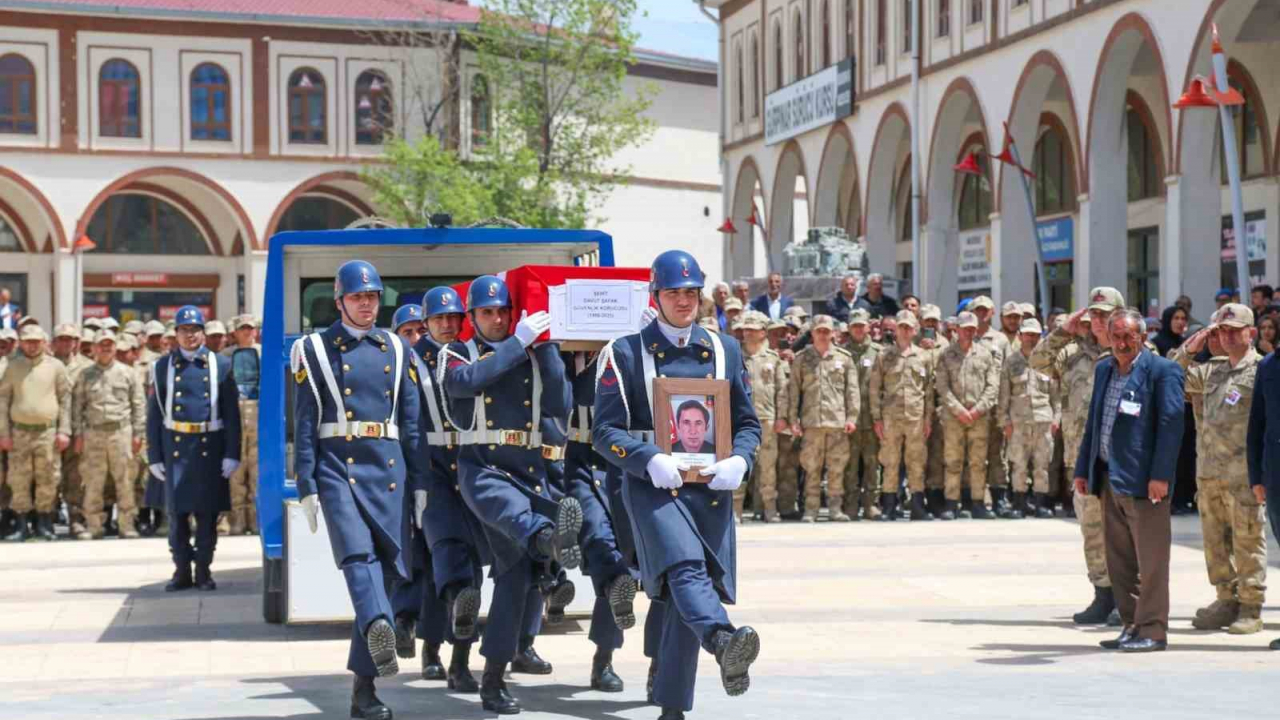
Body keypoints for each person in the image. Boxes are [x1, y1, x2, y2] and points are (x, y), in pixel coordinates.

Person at [593, 249, 761, 720]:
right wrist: (647, 460)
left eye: (691, 292)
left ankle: (672, 710)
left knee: (687, 589)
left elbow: (748, 423)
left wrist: (741, 461)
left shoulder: (724, 349)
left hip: (709, 488)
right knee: (686, 569)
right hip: (653, 487)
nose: (684, 301)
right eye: (674, 292)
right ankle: (723, 639)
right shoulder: (624, 351)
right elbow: (604, 432)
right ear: (656, 295)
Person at [441, 274, 582, 715]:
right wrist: (517, 343)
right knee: (524, 529)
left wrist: (544, 347)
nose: (498, 319)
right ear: (472, 317)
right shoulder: (455, 352)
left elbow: (559, 403)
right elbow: (465, 383)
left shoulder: (529, 354)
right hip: (482, 469)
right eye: (488, 312)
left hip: (528, 470)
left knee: (516, 577)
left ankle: (494, 679)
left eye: (504, 311)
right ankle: (550, 539)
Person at [290, 263, 422, 719]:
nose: (366, 304)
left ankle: (364, 691)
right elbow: (305, 420)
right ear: (340, 299)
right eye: (358, 296)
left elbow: (412, 424)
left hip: (388, 465)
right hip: (336, 464)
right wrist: (305, 482)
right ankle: (381, 625)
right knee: (356, 556)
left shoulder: (399, 348)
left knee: (385, 571)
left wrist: (420, 483)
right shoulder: (316, 349)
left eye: (372, 296)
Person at [1074, 309, 1184, 653]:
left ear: (1142, 337)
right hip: (1109, 477)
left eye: (1128, 337)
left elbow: (1171, 425)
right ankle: (1131, 625)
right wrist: (1083, 468)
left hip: (1144, 481)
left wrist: (1160, 475)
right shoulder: (1105, 368)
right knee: (1119, 561)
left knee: (1151, 562)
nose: (1121, 343)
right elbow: (1094, 423)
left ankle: (1153, 630)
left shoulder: (1162, 371)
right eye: (1116, 336)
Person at [412, 286, 489, 692]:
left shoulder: (470, 356)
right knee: (444, 552)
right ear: (425, 323)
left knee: (471, 563)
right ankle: (431, 651)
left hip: (471, 463)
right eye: (438, 318)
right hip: (429, 468)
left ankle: (460, 662)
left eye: (453, 318)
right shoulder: (409, 361)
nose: (447, 324)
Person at [1031, 288, 1124, 625]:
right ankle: (1102, 594)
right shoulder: (1071, 352)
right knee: (1092, 530)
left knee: (1124, 532)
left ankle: (1127, 598)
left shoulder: (1131, 350)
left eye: (1105, 313)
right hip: (1081, 458)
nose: (1098, 320)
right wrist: (1062, 331)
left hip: (1121, 459)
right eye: (1094, 314)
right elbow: (1037, 362)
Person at [551, 340, 638, 692]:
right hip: (571, 459)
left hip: (620, 460)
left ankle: (604, 659)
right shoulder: (553, 352)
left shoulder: (632, 350)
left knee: (621, 560)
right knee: (598, 539)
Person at [147, 306, 241, 589]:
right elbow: (154, 414)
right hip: (175, 447)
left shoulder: (220, 365)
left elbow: (232, 414)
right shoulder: (162, 366)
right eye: (184, 331)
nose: (190, 336)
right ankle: (181, 572)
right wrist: (154, 455)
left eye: (195, 330)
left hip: (208, 448)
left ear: (203, 332)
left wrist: (231, 453)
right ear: (175, 334)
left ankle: (203, 571)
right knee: (176, 518)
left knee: (207, 516)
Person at [72, 331, 145, 540]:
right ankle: (94, 525)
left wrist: (138, 434)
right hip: (93, 433)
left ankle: (127, 524)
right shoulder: (85, 375)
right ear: (94, 348)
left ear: (115, 348)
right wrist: (77, 434)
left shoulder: (128, 373)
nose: (106, 348)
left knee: (125, 480)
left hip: (121, 432)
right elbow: (77, 407)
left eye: (109, 345)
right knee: (93, 481)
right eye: (101, 345)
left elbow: (139, 406)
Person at [0, 324, 70, 541]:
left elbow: (65, 399)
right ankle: (21, 525)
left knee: (47, 478)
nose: (31, 346)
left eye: (36, 341)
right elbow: (3, 400)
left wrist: (64, 431)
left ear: (44, 343)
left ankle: (44, 524)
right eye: (27, 341)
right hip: (19, 432)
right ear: (21, 343)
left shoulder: (56, 367)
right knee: (19, 478)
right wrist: (4, 433)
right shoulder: (12, 367)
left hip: (47, 433)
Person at [788, 314, 858, 523]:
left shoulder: (844, 359)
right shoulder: (802, 359)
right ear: (812, 333)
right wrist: (793, 419)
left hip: (837, 422)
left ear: (834, 333)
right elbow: (793, 392)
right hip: (811, 423)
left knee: (837, 468)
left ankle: (835, 508)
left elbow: (852, 391)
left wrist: (852, 417)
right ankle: (811, 509)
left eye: (827, 331)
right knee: (811, 468)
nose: (823, 335)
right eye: (819, 331)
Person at [934, 312, 999, 520]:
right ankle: (951, 503)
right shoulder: (946, 354)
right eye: (965, 328)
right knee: (953, 461)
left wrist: (979, 409)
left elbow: (992, 385)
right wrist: (958, 410)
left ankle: (978, 502)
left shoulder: (985, 354)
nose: (969, 332)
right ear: (957, 330)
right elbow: (942, 387)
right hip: (954, 417)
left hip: (979, 416)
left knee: (978, 462)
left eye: (973, 328)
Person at [870, 310, 933, 521]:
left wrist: (928, 419)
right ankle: (888, 506)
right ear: (896, 329)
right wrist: (877, 418)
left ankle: (917, 505)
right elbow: (874, 389)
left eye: (909, 327)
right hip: (891, 418)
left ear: (915, 330)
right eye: (902, 327)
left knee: (916, 461)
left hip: (915, 418)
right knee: (890, 462)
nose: (905, 331)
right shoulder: (884, 356)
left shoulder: (924, 357)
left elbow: (929, 391)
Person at [999, 319, 1060, 519]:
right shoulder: (1011, 362)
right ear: (1020, 335)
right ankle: (1019, 503)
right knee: (1018, 464)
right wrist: (1005, 421)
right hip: (1018, 422)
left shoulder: (1047, 362)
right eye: (1028, 334)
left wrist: (1056, 418)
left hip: (1043, 420)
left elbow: (1056, 395)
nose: (1031, 338)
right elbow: (1003, 395)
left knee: (1042, 464)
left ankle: (1041, 503)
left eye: (1035, 335)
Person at [738, 311, 786, 523]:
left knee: (768, 467)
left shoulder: (773, 359)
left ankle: (769, 509)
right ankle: (735, 510)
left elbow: (782, 392)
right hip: (740, 421)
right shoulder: (736, 356)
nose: (747, 333)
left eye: (752, 330)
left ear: (763, 332)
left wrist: (782, 417)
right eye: (745, 329)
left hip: (766, 420)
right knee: (740, 463)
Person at [842, 309, 882, 520]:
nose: (858, 329)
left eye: (861, 325)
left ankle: (871, 504)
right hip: (849, 419)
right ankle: (850, 505)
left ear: (868, 327)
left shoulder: (878, 352)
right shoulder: (843, 353)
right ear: (849, 328)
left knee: (872, 464)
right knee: (850, 464)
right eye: (854, 325)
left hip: (871, 418)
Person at [224, 316, 261, 536]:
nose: (247, 332)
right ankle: (236, 521)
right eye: (242, 329)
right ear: (235, 332)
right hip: (235, 414)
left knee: (257, 469)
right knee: (236, 469)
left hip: (258, 413)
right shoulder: (225, 357)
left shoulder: (265, 353)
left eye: (250, 328)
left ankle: (256, 520)